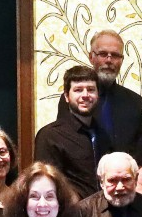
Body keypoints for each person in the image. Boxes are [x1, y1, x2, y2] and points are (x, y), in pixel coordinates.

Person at [58, 30, 142, 194]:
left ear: (122, 60)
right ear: (91, 57)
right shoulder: (76, 101)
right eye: (103, 54)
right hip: (83, 192)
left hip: (124, 189)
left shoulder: (135, 102)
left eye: (115, 55)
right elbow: (65, 145)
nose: (109, 60)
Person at [34, 65, 107, 199]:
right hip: (70, 215)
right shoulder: (50, 135)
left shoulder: (103, 134)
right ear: (67, 96)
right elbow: (47, 184)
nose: (85, 95)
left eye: (91, 90)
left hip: (104, 213)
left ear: (98, 95)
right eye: (78, 90)